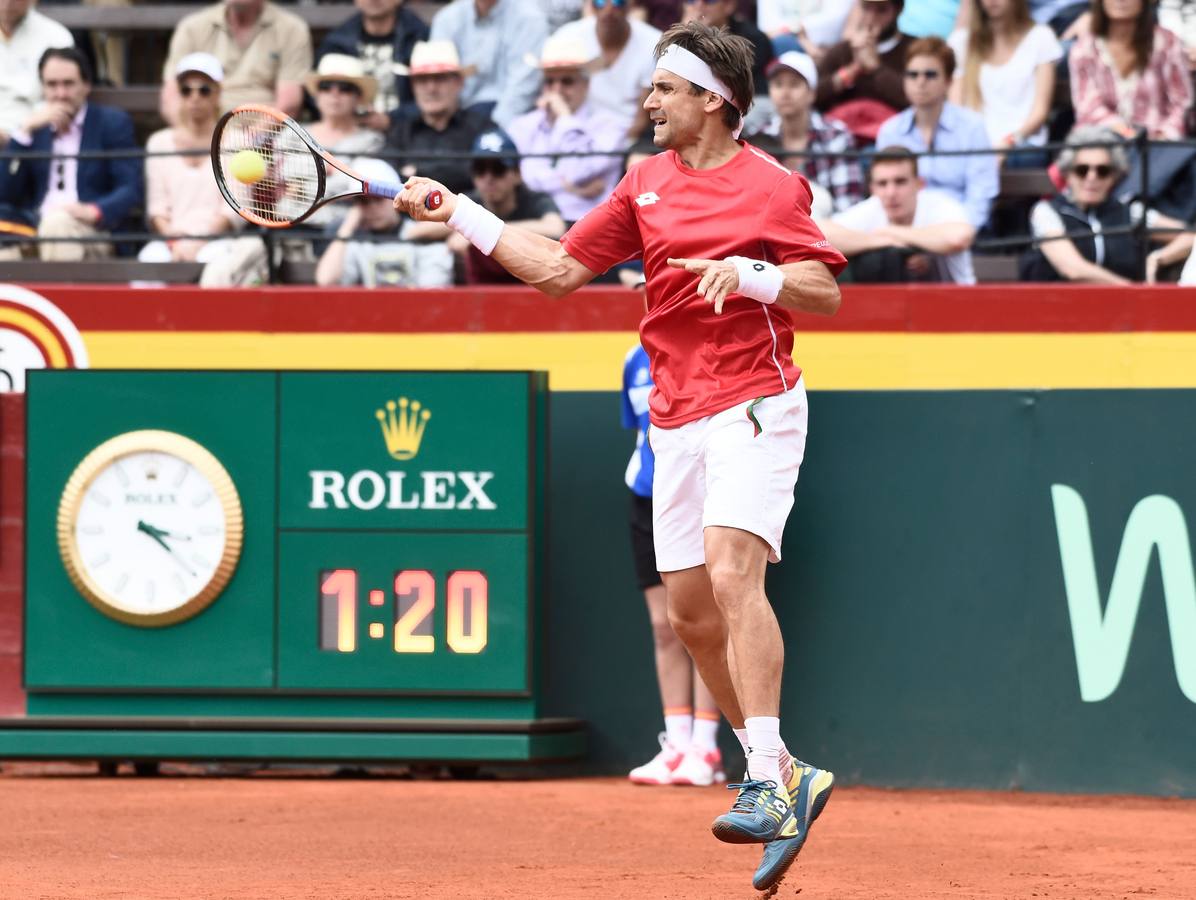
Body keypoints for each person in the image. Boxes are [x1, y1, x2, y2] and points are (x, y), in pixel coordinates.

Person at [394, 21, 844, 894]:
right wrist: (465, 215)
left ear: (712, 99)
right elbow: (560, 270)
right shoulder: (642, 185)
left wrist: (751, 275)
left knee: (730, 572)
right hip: (673, 416)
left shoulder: (774, 187)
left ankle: (769, 765)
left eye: (664, 90)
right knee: (689, 615)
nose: (648, 103)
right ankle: (777, 774)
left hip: (755, 397)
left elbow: (824, 290)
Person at [622, 342, 727, 788]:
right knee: (664, 625)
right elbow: (640, 430)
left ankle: (707, 745)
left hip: (705, 497)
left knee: (705, 624)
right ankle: (677, 744)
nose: (652, 293)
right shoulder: (633, 359)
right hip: (648, 496)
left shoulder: (712, 349)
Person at [0, 47, 141, 262]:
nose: (60, 94)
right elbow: (6, 193)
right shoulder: (36, 128)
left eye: (68, 84)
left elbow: (131, 188)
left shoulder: (111, 123)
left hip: (90, 232)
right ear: (42, 88)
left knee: (58, 226)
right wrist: (24, 133)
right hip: (34, 231)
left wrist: (95, 210)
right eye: (52, 85)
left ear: (86, 85)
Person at [1020, 125, 1187, 283]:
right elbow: (1072, 269)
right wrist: (1130, 290)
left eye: (1103, 171)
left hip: (1124, 310)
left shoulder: (1130, 212)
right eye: (1082, 170)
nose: (1091, 178)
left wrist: (1160, 257)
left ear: (1114, 176)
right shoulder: (1046, 211)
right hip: (1059, 308)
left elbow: (1190, 236)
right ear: (1068, 174)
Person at [405, 130, 566, 283]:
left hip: (533, 285)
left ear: (517, 174)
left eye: (498, 169)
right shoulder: (470, 201)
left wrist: (478, 231)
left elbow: (555, 228)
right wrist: (462, 226)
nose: (488, 178)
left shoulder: (532, 199)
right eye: (480, 169)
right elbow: (415, 231)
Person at [874, 36, 998, 230]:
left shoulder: (972, 127)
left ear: (948, 82)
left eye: (930, 75)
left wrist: (950, 236)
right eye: (912, 75)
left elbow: (980, 197)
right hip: (904, 232)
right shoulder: (890, 131)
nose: (920, 82)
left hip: (958, 230)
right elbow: (883, 193)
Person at [506, 36, 628, 226]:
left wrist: (564, 119)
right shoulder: (522, 126)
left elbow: (577, 171)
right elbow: (520, 180)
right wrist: (571, 188)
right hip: (536, 223)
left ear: (586, 85)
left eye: (567, 81)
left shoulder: (610, 125)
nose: (557, 90)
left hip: (589, 226)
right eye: (550, 82)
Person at [820, 145, 977, 283]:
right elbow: (819, 237)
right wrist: (882, 241)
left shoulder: (939, 204)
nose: (891, 192)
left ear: (919, 184)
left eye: (900, 181)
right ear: (873, 189)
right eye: (882, 184)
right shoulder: (872, 207)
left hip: (958, 304)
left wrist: (890, 231)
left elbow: (959, 238)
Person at [749, 50, 865, 212]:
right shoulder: (759, 137)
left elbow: (848, 207)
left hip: (828, 230)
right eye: (778, 84)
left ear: (812, 94)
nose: (785, 93)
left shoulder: (836, 136)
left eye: (794, 84)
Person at [161, 0, 312, 123]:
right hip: (201, 135)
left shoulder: (292, 28)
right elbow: (170, 97)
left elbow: (288, 104)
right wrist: (194, 135)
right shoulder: (191, 27)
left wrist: (251, 140)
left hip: (267, 142)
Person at [948, 0, 1062, 162]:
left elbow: (1040, 112)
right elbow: (956, 110)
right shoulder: (961, 41)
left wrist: (1008, 142)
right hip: (973, 145)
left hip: (1022, 143)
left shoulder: (1041, 37)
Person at [315, 158, 454, 287]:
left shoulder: (423, 235)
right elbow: (326, 281)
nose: (373, 208)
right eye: (364, 202)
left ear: (396, 197)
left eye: (379, 199)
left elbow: (433, 294)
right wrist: (348, 226)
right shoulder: (354, 243)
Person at [387, 40, 498, 195]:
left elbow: (493, 176)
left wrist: (417, 171)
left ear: (459, 82)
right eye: (422, 80)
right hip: (411, 217)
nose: (431, 88)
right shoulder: (401, 133)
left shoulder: (482, 127)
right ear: (413, 86)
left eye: (440, 78)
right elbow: (388, 178)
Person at [1068, 0, 1191, 140]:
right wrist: (1126, 133)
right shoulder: (1084, 48)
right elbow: (1088, 107)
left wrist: (1164, 134)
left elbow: (1182, 102)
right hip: (1102, 144)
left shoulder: (1167, 42)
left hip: (1159, 145)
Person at [550, 0, 663, 138]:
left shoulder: (654, 43)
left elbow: (640, 121)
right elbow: (553, 96)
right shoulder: (566, 37)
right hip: (572, 134)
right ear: (590, 4)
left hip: (627, 142)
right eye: (600, 2)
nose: (608, 9)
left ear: (630, 4)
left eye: (618, 2)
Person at [429, 0, 548, 128]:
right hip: (455, 115)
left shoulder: (529, 18)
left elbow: (524, 87)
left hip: (508, 118)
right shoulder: (447, 19)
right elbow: (435, 74)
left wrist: (492, 129)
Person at [315, 0, 429, 128]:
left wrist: (393, 119)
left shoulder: (421, 37)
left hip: (410, 133)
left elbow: (437, 96)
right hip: (349, 132)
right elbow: (317, 92)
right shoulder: (337, 41)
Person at [304, 55, 386, 227]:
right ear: (317, 95)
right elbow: (275, 182)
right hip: (286, 226)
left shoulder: (372, 141)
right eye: (326, 87)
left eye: (345, 88)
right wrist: (327, 174)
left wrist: (299, 186)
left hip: (340, 230)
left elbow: (352, 187)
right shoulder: (293, 133)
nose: (335, 94)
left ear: (359, 97)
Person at [815, 0, 914, 120]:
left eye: (881, 10)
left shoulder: (914, 50)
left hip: (895, 133)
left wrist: (877, 69)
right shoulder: (842, 50)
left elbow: (917, 97)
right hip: (843, 133)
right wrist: (853, 69)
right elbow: (812, 96)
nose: (871, 17)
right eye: (866, 8)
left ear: (898, 10)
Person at [0, 0, 73, 147]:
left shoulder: (57, 36)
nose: (8, 2)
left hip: (37, 138)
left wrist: (24, 130)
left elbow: (63, 98)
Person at [682, 0, 775, 93]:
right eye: (690, 1)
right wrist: (684, 35)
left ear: (729, 5)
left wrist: (700, 35)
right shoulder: (676, 37)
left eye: (709, 1)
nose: (698, 6)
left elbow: (729, 78)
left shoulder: (752, 38)